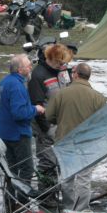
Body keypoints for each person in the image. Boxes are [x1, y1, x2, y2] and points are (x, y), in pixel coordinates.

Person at [45, 62, 107, 211]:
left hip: (65, 142)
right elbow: (103, 122)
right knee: (84, 179)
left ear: (76, 75)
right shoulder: (98, 98)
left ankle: (68, 209)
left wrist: (61, 120)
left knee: (67, 178)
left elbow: (49, 116)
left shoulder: (61, 94)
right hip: (87, 144)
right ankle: (81, 211)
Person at [0, 54, 45, 192]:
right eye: (28, 66)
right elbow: (19, 113)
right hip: (17, 135)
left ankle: (11, 200)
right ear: (20, 69)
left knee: (11, 170)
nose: (31, 67)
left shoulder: (5, 81)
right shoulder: (17, 86)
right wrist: (36, 109)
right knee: (26, 169)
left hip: (4, 133)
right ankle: (23, 201)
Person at [27, 43, 74, 190]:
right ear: (52, 58)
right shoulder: (38, 75)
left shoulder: (62, 71)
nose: (63, 65)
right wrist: (47, 129)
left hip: (62, 125)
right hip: (45, 127)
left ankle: (56, 193)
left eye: (64, 63)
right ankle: (46, 196)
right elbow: (37, 105)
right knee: (48, 163)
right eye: (60, 63)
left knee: (61, 163)